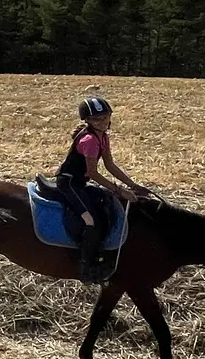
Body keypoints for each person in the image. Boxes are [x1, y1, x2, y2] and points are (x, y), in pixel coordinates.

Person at [55, 96, 151, 283]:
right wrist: (119, 190)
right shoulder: (89, 140)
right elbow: (93, 173)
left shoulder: (103, 137)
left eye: (105, 117)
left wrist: (133, 185)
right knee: (89, 220)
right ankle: (86, 266)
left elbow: (110, 165)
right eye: (97, 119)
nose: (103, 122)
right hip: (69, 184)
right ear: (87, 121)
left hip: (80, 183)